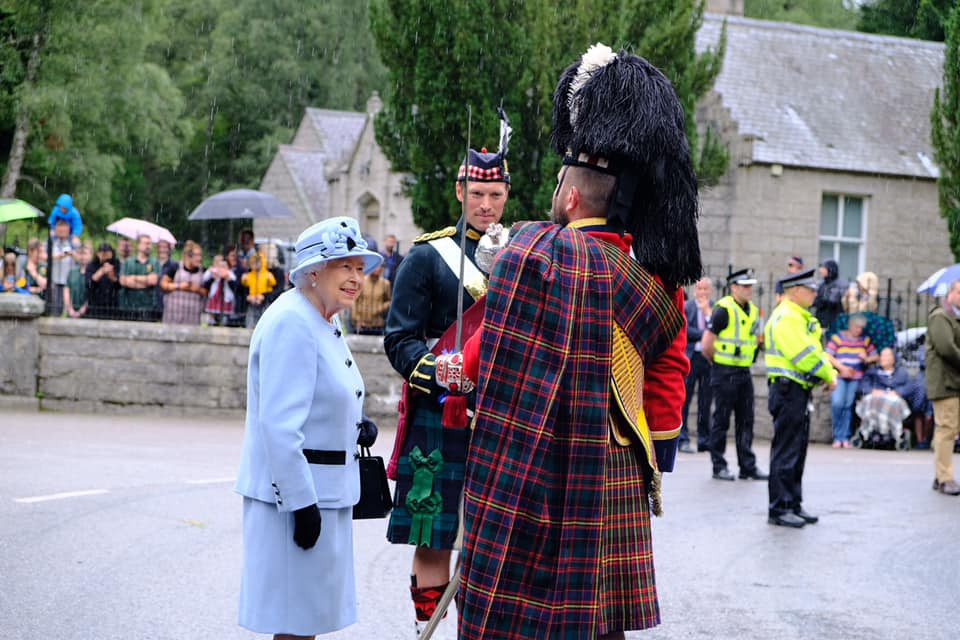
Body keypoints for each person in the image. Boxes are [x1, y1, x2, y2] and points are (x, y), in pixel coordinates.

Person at [458, 44, 698, 639]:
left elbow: (479, 362)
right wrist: (659, 448)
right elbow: (670, 375)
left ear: (569, 195)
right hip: (608, 469)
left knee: (515, 613)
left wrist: (462, 398)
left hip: (527, 467)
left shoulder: (530, 254)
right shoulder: (656, 282)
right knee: (595, 618)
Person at [234, 216, 383, 638]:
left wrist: (353, 425)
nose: (356, 278)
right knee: (294, 625)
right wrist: (301, 505)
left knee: (307, 621)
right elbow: (279, 427)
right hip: (299, 498)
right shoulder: (293, 322)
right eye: (345, 267)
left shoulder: (323, 317)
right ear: (313, 271)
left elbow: (323, 394)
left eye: (359, 268)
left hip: (325, 492)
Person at [383, 143, 510, 629]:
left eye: (494, 194)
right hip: (439, 414)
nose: (485, 204)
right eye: (477, 192)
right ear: (460, 191)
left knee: (489, 543)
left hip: (498, 415)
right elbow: (399, 339)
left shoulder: (520, 255)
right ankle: (426, 629)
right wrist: (438, 373)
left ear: (506, 195)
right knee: (433, 535)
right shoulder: (426, 257)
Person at [764, 269, 837, 528]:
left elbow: (815, 353)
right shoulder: (788, 317)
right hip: (788, 391)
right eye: (810, 289)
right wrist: (830, 376)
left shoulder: (798, 316)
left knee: (797, 449)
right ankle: (780, 508)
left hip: (795, 390)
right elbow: (805, 356)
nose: (815, 293)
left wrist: (827, 373)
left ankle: (793, 503)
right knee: (786, 450)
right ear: (795, 291)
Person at [702, 269, 767, 481]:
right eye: (745, 286)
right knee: (721, 420)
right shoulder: (724, 309)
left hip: (744, 372)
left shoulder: (754, 310)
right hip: (724, 371)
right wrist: (716, 362)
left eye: (751, 286)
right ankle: (718, 465)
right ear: (734, 287)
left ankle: (747, 466)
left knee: (746, 420)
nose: (749, 290)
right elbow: (707, 344)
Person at [925, 278, 960, 495]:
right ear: (950, 294)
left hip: (954, 382)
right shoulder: (941, 316)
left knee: (949, 430)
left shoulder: (954, 317)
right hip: (945, 382)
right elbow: (947, 349)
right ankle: (945, 478)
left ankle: (940, 476)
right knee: (946, 430)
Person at [825, 313, 878, 447]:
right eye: (856, 327)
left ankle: (844, 437)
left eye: (861, 328)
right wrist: (842, 368)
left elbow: (875, 356)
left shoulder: (864, 340)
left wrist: (866, 358)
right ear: (850, 326)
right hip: (840, 375)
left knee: (848, 405)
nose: (858, 331)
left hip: (856, 377)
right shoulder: (838, 338)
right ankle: (837, 435)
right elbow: (828, 355)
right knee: (837, 403)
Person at [679, 277, 714, 453]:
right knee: (685, 400)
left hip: (708, 358)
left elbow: (718, 329)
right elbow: (686, 331)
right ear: (695, 291)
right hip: (691, 357)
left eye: (706, 289)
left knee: (705, 401)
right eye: (700, 289)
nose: (702, 293)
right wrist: (705, 335)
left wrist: (708, 313)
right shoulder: (688, 307)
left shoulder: (714, 308)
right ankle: (682, 438)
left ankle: (704, 439)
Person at [855, 347, 916, 446]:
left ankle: (895, 432)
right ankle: (867, 431)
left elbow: (909, 387)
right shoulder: (873, 371)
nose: (884, 358)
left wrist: (897, 392)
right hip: (876, 400)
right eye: (882, 356)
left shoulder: (902, 373)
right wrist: (873, 391)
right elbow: (862, 386)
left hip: (894, 401)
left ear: (893, 359)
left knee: (894, 402)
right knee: (869, 399)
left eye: (887, 356)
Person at [160, 240, 207, 325]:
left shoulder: (203, 271)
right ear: (188, 256)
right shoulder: (175, 267)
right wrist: (180, 286)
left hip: (193, 316)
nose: (199, 259)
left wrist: (197, 289)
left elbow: (207, 291)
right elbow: (163, 284)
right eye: (197, 256)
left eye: (200, 255)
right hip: (173, 314)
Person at [119, 235, 161, 322]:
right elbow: (123, 281)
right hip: (129, 307)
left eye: (150, 244)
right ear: (138, 245)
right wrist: (145, 282)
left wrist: (133, 278)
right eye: (146, 243)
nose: (148, 246)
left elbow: (153, 280)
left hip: (148, 307)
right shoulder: (128, 261)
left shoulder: (155, 262)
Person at [351, 263, 391, 335]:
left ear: (382, 270)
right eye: (375, 267)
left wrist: (381, 308)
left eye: (380, 267)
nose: (377, 269)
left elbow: (389, 301)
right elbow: (354, 300)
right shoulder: (362, 281)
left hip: (378, 324)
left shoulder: (385, 284)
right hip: (362, 323)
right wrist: (356, 319)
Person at [241, 250, 277, 328]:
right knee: (251, 317)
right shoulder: (250, 275)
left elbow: (273, 283)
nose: (256, 264)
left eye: (258, 262)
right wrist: (244, 279)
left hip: (263, 300)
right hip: (253, 299)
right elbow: (245, 283)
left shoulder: (267, 274)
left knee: (264, 317)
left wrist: (270, 279)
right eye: (254, 262)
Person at [85, 242, 121, 319]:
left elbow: (119, 284)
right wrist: (101, 271)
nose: (104, 254)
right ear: (98, 253)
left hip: (112, 304)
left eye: (107, 252)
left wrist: (112, 275)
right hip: (95, 304)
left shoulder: (117, 264)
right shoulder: (92, 265)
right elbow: (89, 284)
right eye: (102, 252)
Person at [814, 259, 847, 338]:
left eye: (823, 268)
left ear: (830, 269)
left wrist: (822, 299)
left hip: (834, 322)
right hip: (821, 321)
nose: (820, 270)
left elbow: (832, 300)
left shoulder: (840, 283)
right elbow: (815, 302)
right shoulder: (822, 284)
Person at [203, 253, 238, 326]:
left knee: (224, 311)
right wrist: (212, 276)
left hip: (225, 297)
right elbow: (204, 279)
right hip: (215, 295)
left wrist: (227, 277)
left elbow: (234, 281)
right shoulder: (212, 271)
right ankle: (212, 320)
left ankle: (224, 321)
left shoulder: (228, 272)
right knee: (213, 310)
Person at [64, 242, 91, 318]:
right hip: (71, 313)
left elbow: (93, 295)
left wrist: (82, 310)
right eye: (80, 253)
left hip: (89, 314)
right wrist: (70, 309)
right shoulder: (72, 271)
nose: (82, 256)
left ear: (90, 255)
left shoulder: (93, 273)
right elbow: (67, 290)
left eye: (85, 253)